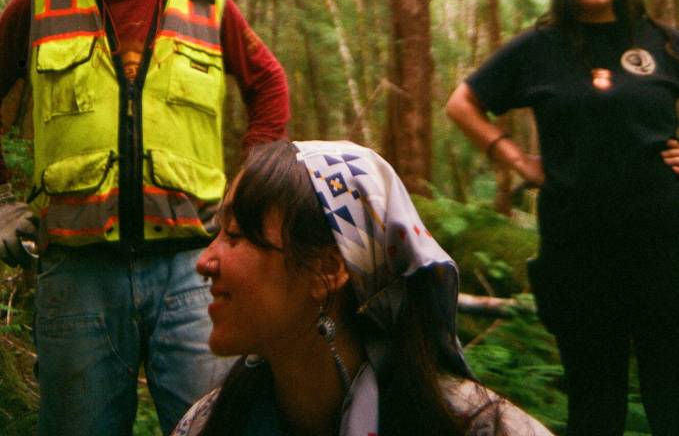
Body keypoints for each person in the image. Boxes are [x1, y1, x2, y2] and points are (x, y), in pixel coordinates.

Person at [0, 0, 290, 436]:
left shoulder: (207, 2)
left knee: (217, 428)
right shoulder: (41, 2)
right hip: (77, 275)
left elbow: (269, 84)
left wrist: (249, 186)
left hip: (193, 268)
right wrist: (1, 200)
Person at [446, 0, 679, 436]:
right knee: (596, 399)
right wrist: (515, 159)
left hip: (664, 243)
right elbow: (461, 103)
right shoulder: (539, 48)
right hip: (579, 251)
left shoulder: (660, 40)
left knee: (672, 389)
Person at [172, 138, 554, 436]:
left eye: (236, 235)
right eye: (217, 231)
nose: (204, 262)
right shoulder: (208, 424)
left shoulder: (477, 426)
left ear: (326, 270)